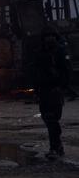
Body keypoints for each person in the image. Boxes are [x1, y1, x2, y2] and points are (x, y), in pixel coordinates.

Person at [34, 26, 69, 160]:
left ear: (55, 37)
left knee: (52, 119)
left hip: (55, 90)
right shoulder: (40, 53)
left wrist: (62, 87)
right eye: (47, 36)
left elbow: (66, 71)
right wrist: (36, 90)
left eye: (51, 36)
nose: (49, 38)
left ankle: (55, 147)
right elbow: (36, 73)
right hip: (44, 91)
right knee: (48, 119)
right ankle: (56, 146)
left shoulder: (60, 52)